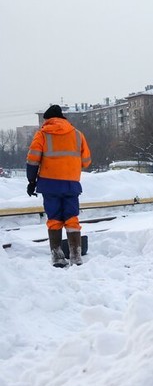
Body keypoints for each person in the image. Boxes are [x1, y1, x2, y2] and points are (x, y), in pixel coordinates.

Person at [26, 105, 91, 267]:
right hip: (71, 184)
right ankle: (75, 255)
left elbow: (33, 160)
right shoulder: (78, 134)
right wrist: (70, 166)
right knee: (72, 218)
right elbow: (86, 161)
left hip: (50, 184)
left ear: (48, 119)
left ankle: (57, 256)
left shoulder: (42, 134)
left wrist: (31, 181)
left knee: (54, 219)